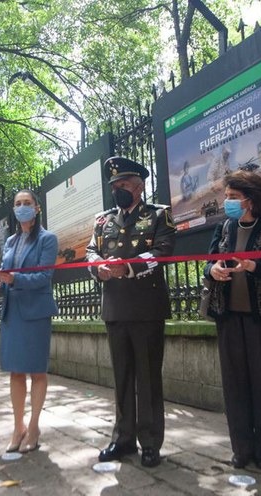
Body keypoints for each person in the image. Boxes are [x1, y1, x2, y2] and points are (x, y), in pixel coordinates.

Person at [85, 156, 176, 468]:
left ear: (139, 187)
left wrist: (129, 267)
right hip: (115, 309)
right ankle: (122, 440)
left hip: (146, 309)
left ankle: (150, 442)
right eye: (114, 186)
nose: (117, 190)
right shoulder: (102, 221)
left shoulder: (158, 216)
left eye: (122, 185)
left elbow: (163, 252)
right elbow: (90, 251)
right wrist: (98, 267)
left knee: (148, 379)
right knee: (122, 378)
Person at [203, 171, 261, 470]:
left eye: (233, 198)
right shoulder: (224, 226)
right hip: (228, 316)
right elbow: (210, 261)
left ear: (250, 199)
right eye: (226, 197)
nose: (227, 202)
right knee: (234, 385)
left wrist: (253, 265)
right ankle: (241, 449)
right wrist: (213, 271)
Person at [0, 190, 58, 454]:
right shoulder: (9, 241)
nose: (22, 207)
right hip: (12, 312)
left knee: (37, 372)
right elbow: (6, 277)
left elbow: (44, 276)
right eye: (18, 204)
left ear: (37, 208)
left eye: (27, 203)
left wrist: (14, 279)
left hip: (35, 313)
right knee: (16, 372)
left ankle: (35, 425)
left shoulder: (47, 239)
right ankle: (18, 427)